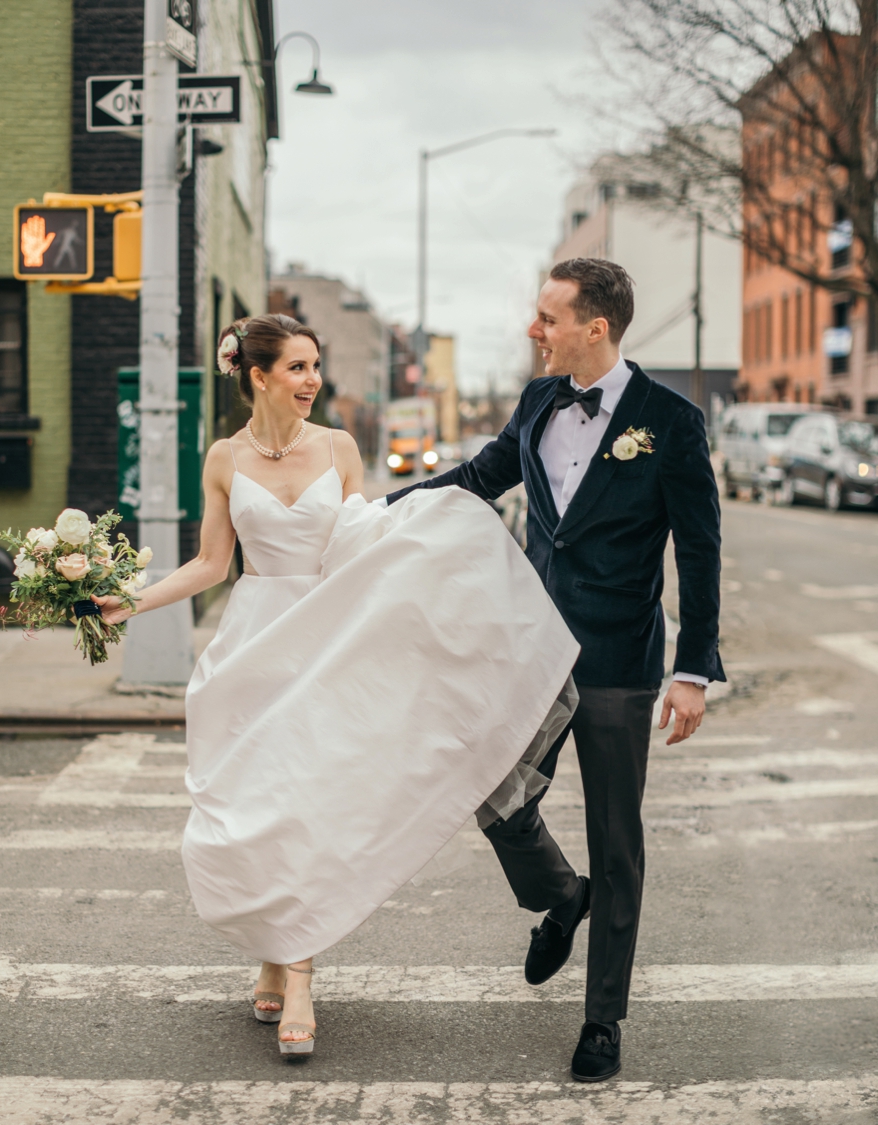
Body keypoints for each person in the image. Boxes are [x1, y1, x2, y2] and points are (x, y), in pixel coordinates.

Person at [93, 313, 580, 1059]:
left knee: (308, 808)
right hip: (255, 641)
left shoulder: (339, 448)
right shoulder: (224, 459)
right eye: (297, 367)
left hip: (326, 642)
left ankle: (299, 979)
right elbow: (211, 565)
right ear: (257, 375)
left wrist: (436, 540)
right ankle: (270, 949)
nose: (313, 380)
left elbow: (364, 545)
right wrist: (128, 599)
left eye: (316, 365)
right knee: (256, 806)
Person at [385, 258, 724, 1082]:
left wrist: (694, 669)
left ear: (594, 327)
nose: (533, 330)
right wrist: (382, 515)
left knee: (617, 843)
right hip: (530, 649)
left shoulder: (669, 420)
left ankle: (602, 1017)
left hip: (616, 660)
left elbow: (701, 548)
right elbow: (480, 478)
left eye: (547, 317)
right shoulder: (539, 400)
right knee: (493, 792)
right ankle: (558, 897)